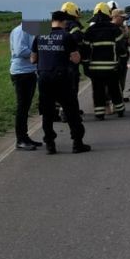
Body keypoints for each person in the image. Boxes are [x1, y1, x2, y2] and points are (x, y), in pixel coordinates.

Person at [31, 11, 90, 154]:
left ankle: (50, 144)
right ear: (64, 21)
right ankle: (77, 143)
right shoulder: (66, 36)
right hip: (62, 77)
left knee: (47, 113)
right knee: (71, 111)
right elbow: (76, 58)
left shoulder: (39, 35)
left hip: (44, 77)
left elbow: (33, 59)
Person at [83, 3, 125, 120]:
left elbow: (85, 51)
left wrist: (86, 66)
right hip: (112, 67)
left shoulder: (89, 31)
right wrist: (121, 62)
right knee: (115, 89)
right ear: (108, 14)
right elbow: (121, 48)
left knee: (98, 91)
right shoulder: (115, 29)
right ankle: (120, 110)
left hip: (95, 69)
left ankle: (99, 113)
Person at [9, 17, 43, 150]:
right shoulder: (20, 31)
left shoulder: (30, 31)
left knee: (26, 106)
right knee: (22, 107)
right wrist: (38, 53)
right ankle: (21, 139)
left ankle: (25, 136)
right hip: (21, 73)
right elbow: (20, 50)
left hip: (29, 71)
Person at [111, 7, 130, 100]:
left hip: (123, 57)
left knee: (122, 78)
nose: (124, 19)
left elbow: (129, 41)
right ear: (115, 17)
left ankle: (120, 96)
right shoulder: (110, 28)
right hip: (114, 58)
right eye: (122, 17)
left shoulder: (123, 27)